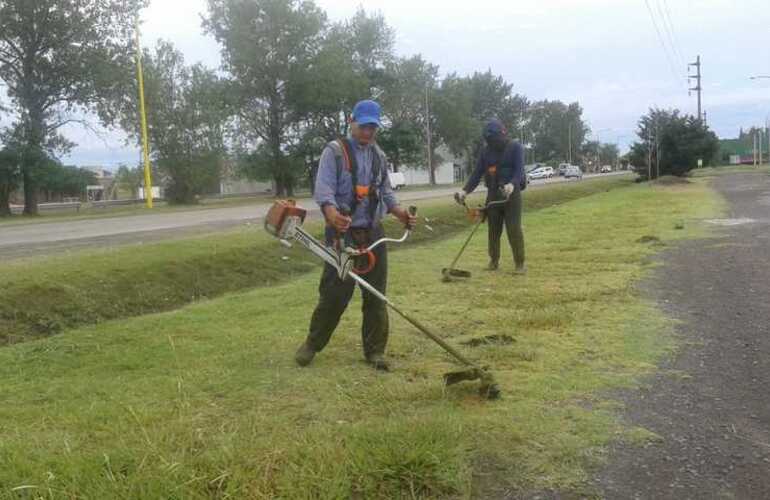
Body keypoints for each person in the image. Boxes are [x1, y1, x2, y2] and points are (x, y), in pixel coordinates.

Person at [295, 100, 417, 371]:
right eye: (364, 126)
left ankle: (375, 352)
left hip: (373, 233)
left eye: (373, 127)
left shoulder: (379, 156)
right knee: (334, 295)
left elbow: (385, 192)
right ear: (352, 122)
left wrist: (400, 213)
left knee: (376, 296)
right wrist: (330, 213)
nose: (368, 132)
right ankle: (312, 344)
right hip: (342, 235)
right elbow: (323, 190)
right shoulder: (335, 152)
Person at [455, 119, 526, 274]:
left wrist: (512, 184)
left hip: (510, 195)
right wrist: (464, 191)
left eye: (493, 139)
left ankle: (519, 264)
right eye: (489, 140)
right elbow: (477, 174)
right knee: (493, 230)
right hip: (493, 195)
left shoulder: (516, 147)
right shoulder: (486, 152)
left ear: (502, 134)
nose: (492, 143)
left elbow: (520, 172)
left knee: (514, 230)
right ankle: (493, 261)